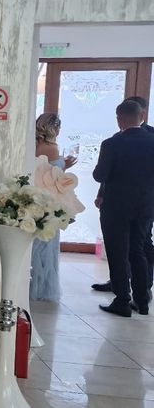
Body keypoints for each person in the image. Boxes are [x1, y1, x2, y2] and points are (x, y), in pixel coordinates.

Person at [93, 99, 154, 317]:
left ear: (119, 119)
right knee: (138, 250)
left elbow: (100, 175)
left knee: (118, 253)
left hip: (116, 207)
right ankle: (143, 301)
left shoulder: (112, 144)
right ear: (142, 116)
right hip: (146, 206)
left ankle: (122, 301)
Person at [30, 113, 76, 301]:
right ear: (54, 128)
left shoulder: (33, 144)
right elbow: (53, 177)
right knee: (46, 246)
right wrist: (65, 166)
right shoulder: (51, 148)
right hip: (49, 199)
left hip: (35, 197)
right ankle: (42, 288)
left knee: (34, 243)